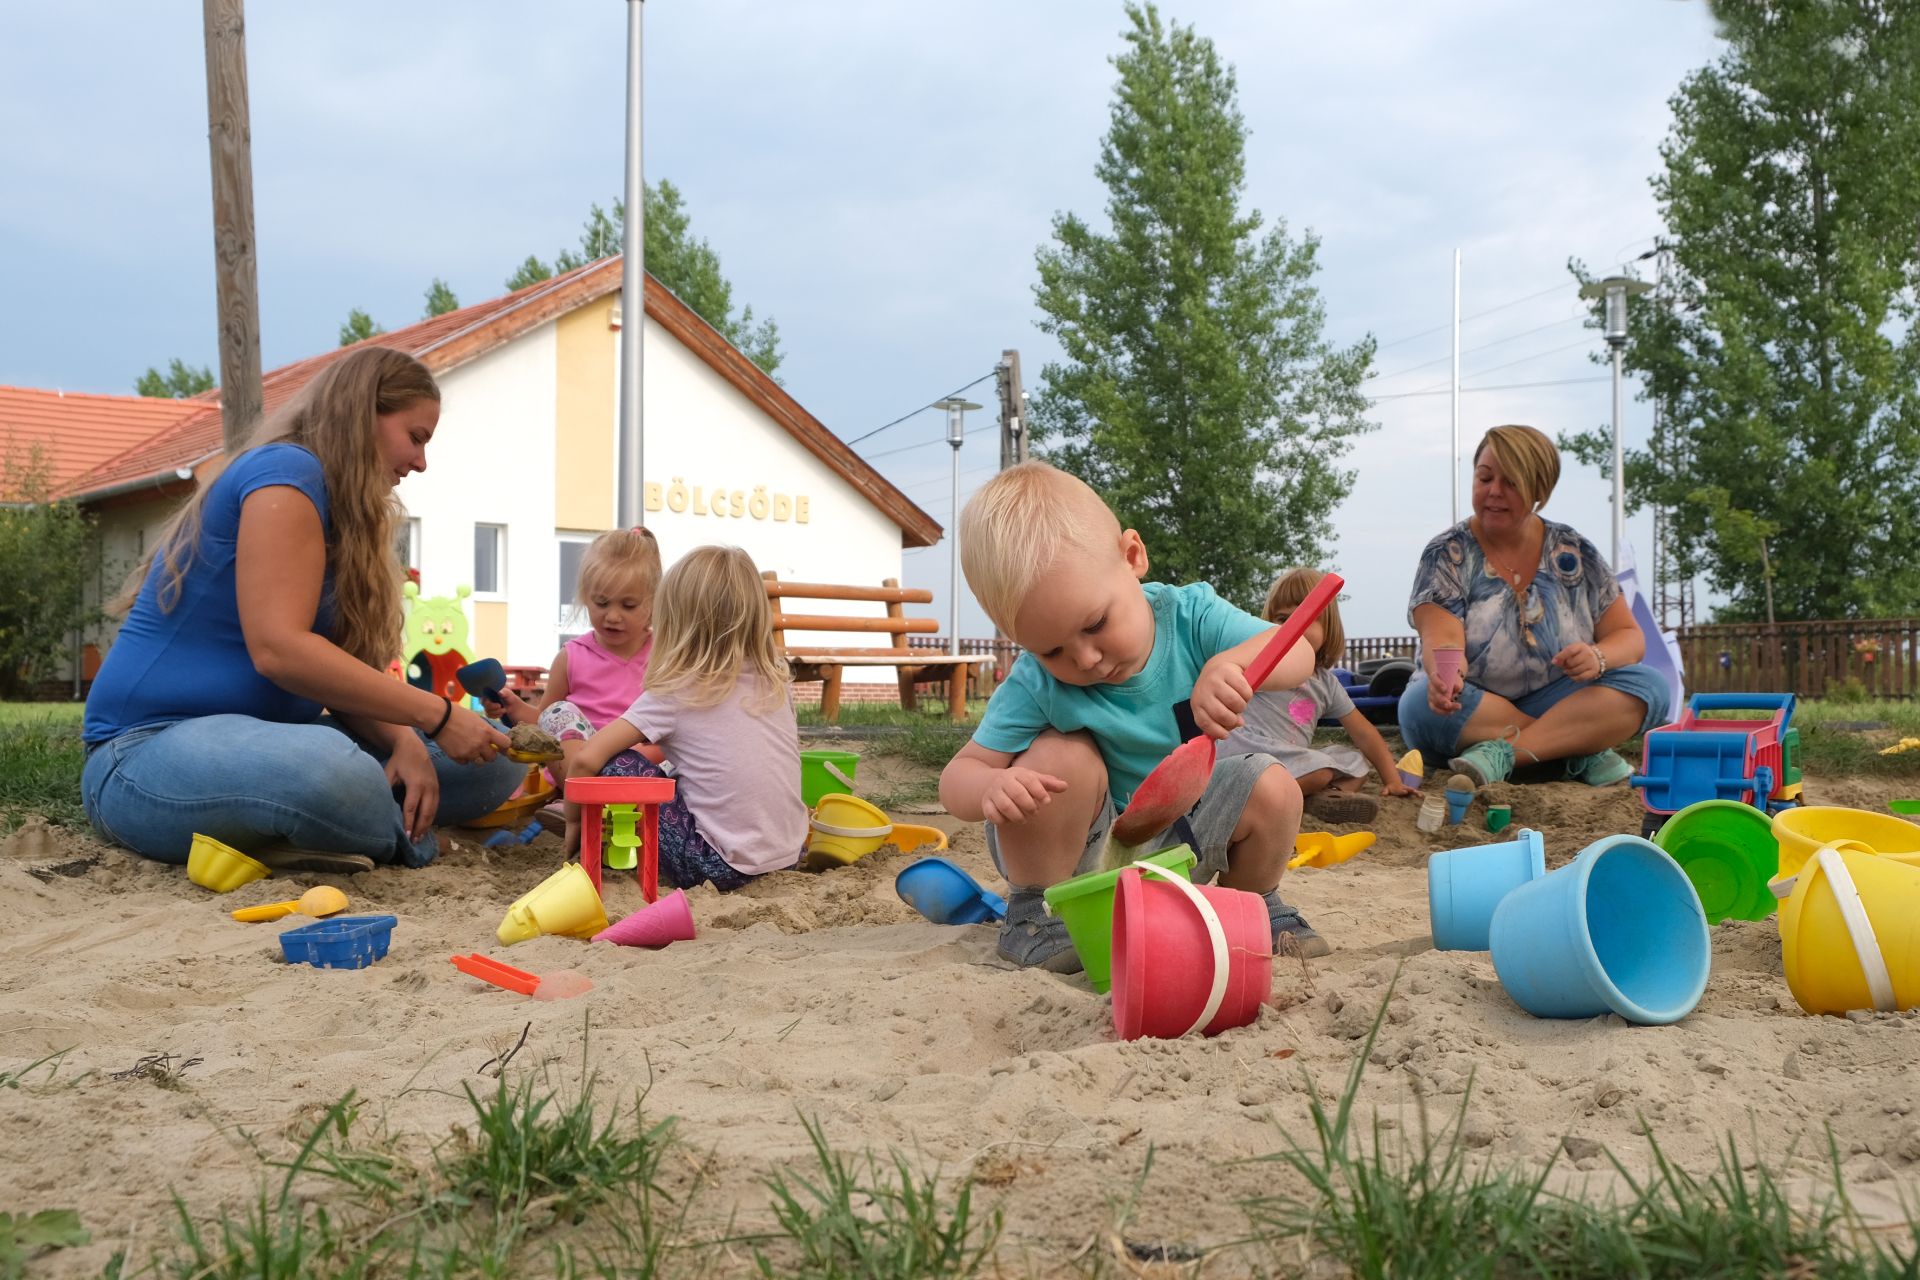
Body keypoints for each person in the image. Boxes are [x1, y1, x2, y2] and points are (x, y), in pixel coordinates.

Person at [81, 347, 521, 873]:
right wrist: (437, 714)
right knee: (335, 774)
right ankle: (397, 837)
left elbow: (334, 673)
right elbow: (280, 651)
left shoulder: (342, 511)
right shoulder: (285, 472)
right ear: (363, 418)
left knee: (496, 760)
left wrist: (406, 739)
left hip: (264, 741)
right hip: (145, 753)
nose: (421, 462)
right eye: (416, 437)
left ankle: (311, 831)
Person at [938, 461, 1325, 972]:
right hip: (1074, 854)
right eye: (1052, 649)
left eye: (1096, 624)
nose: (1085, 659)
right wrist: (989, 787)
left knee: (1272, 785)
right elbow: (956, 778)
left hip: (1178, 834)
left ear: (1133, 556)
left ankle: (1250, 908)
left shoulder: (1190, 617)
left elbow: (1296, 649)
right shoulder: (1036, 682)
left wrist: (1231, 663)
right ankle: (1035, 913)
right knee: (1061, 755)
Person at [1398, 423, 1671, 790]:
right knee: (1419, 706)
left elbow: (1629, 638)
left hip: (1557, 699)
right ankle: (1575, 749)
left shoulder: (1575, 552)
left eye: (1510, 482)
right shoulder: (1446, 553)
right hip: (1477, 705)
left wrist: (1598, 656)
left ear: (1540, 488)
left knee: (1651, 686)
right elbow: (1443, 637)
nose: (1494, 492)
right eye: (1484, 478)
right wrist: (1448, 678)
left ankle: (1504, 755)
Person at [564, 545, 806, 891]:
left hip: (717, 866)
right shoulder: (776, 680)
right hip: (789, 855)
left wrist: (574, 822)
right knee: (675, 772)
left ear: (674, 624)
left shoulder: (678, 690)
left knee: (619, 763)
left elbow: (587, 759)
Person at [1222, 567, 1418, 825]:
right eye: (1282, 619)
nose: (1293, 626)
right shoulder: (1259, 663)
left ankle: (1321, 801)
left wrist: (1392, 780)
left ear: (1328, 628)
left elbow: (1364, 734)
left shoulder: (1326, 683)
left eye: (1307, 617)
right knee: (1322, 771)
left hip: (1289, 759)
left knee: (1354, 764)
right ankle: (1273, 799)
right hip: (1245, 750)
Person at [489, 526, 664, 774]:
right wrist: (512, 707)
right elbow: (545, 722)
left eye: (628, 605)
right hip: (581, 768)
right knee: (559, 712)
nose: (612, 616)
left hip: (641, 767)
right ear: (586, 596)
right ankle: (582, 797)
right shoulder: (571, 657)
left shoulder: (664, 656)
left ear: (654, 601)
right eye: (601, 603)